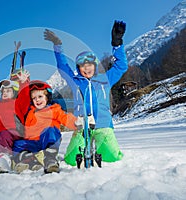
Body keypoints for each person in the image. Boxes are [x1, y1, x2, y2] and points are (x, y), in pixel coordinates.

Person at [44, 20, 128, 165]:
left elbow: (121, 66)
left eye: (89, 65)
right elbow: (63, 66)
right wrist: (57, 45)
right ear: (79, 68)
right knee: (71, 159)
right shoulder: (75, 81)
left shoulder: (105, 79)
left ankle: (98, 146)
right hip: (82, 126)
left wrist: (117, 44)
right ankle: (86, 145)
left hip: (103, 125)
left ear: (95, 66)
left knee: (112, 157)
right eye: (83, 65)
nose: (86, 68)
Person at [12, 80, 83, 173]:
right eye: (34, 98)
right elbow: (20, 104)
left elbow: (65, 117)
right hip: (33, 143)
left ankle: (50, 159)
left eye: (40, 96)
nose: (37, 100)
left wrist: (75, 122)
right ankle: (29, 160)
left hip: (47, 141)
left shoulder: (54, 109)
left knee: (51, 130)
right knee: (18, 143)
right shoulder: (30, 111)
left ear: (47, 97)